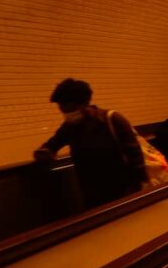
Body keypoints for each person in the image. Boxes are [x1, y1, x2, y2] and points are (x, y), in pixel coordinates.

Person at [34, 78, 146, 209]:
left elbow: (135, 157)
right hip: (90, 193)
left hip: (123, 190)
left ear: (84, 103)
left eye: (69, 108)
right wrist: (45, 151)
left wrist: (136, 190)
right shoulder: (70, 127)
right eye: (62, 109)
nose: (66, 114)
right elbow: (54, 143)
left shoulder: (112, 120)